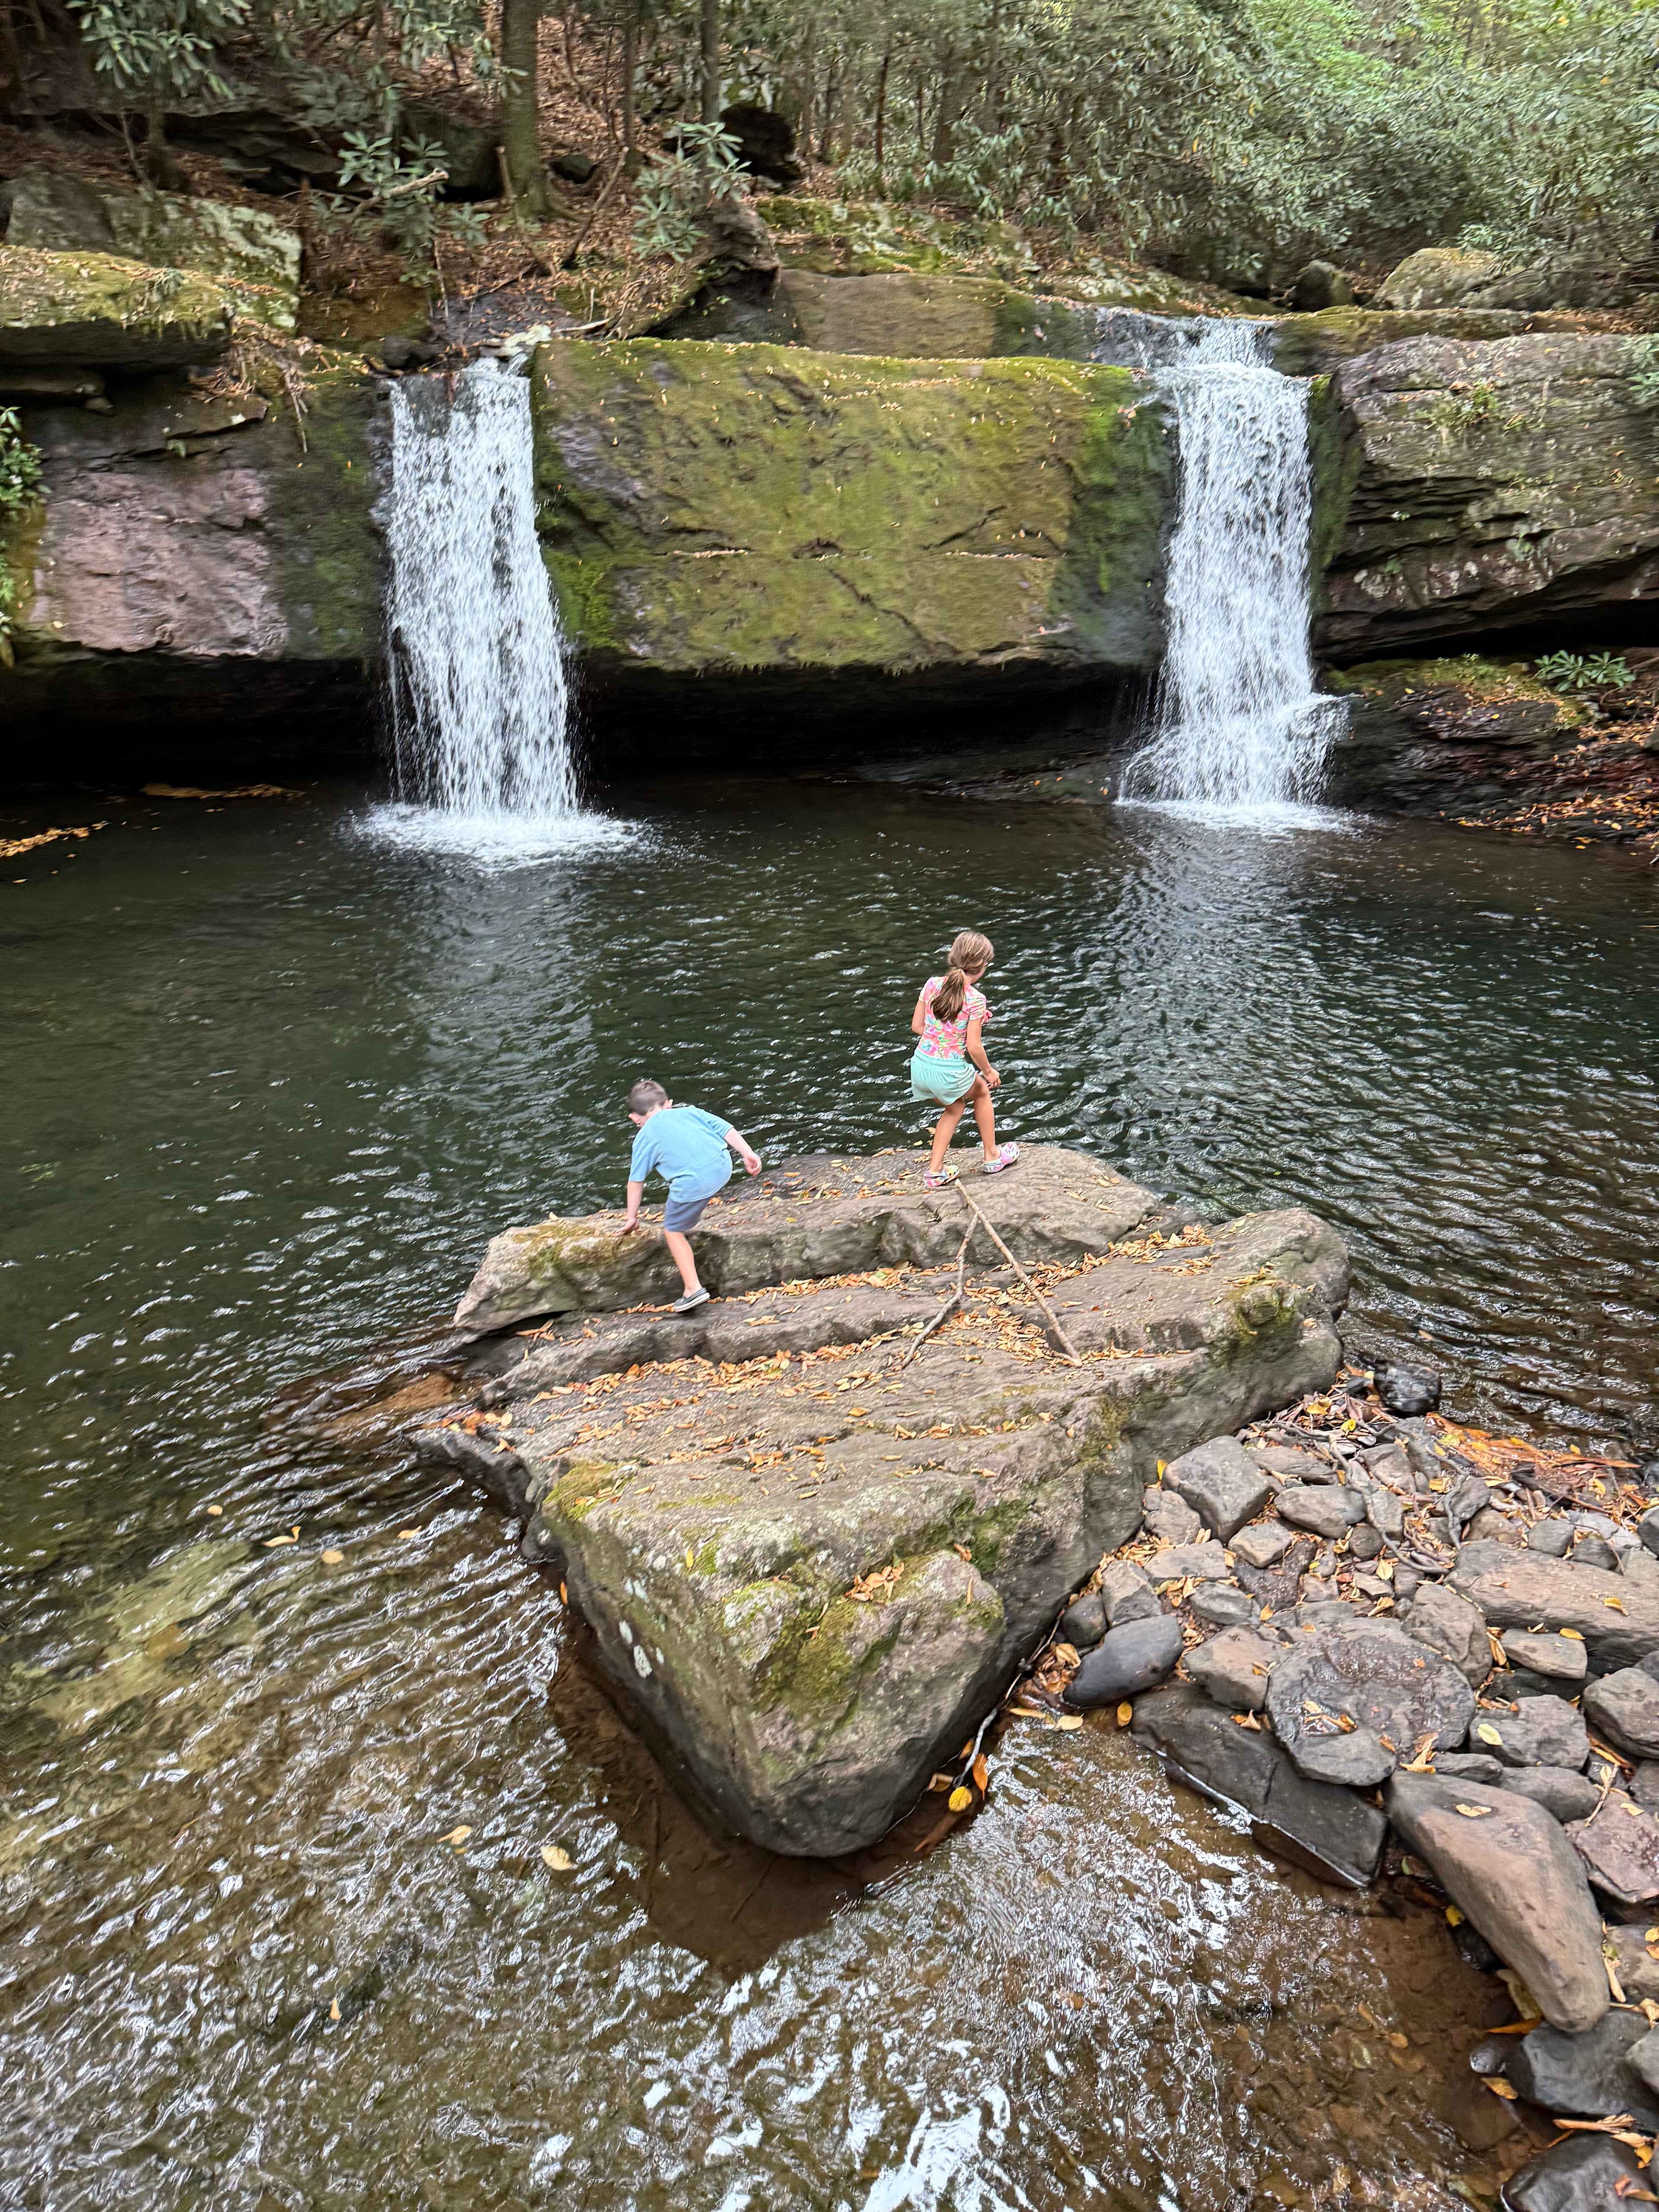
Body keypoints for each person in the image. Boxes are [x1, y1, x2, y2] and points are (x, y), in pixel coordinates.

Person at [615, 1079, 762, 1312]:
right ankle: (690, 1218)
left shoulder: (644, 1137)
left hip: (694, 1184)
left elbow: (636, 1182)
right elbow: (727, 1129)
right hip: (723, 1168)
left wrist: (632, 1218)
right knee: (693, 1195)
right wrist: (748, 1154)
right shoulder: (690, 1112)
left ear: (635, 1119)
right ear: (669, 1105)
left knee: (672, 1231)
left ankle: (693, 1289)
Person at [909, 929, 1019, 1188]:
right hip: (948, 1071)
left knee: (955, 1108)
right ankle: (992, 1156)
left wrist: (951, 1031)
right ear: (982, 967)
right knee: (982, 1091)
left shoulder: (932, 984)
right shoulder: (976, 1000)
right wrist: (990, 1072)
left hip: (922, 1066)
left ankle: (935, 1172)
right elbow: (974, 1047)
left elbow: (917, 1026)